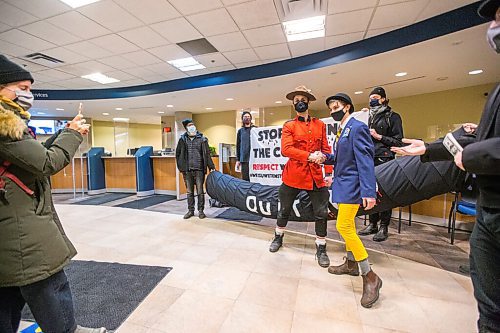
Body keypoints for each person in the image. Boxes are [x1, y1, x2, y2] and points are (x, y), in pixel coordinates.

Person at [392, 1, 500, 330]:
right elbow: (480, 138)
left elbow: (479, 150)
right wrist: (429, 147)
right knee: (490, 311)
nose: (493, 27)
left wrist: (471, 157)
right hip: (490, 213)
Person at [0, 54, 107, 333]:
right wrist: (73, 135)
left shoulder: (12, 125)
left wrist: (64, 133)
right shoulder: (4, 126)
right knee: (47, 281)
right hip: (20, 228)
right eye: (22, 88)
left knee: (8, 293)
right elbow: (47, 163)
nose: (28, 94)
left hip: (9, 223)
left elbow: (31, 156)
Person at [317, 93, 382, 308]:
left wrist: (369, 191)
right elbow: (341, 157)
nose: (332, 110)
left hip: (353, 185)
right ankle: (351, 264)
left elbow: (365, 160)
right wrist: (325, 157)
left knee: (343, 226)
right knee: (349, 225)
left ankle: (370, 275)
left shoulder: (357, 127)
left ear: (347, 107)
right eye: (330, 107)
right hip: (343, 184)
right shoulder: (343, 130)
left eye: (335, 106)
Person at [269, 86, 332, 268]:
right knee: (284, 209)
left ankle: (321, 247)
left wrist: (328, 172)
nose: (299, 102)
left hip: (315, 176)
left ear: (309, 101)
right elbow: (286, 149)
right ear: (293, 104)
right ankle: (278, 237)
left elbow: (326, 150)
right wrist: (309, 156)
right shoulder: (289, 125)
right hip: (294, 175)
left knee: (321, 213)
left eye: (302, 99)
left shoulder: (320, 124)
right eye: (296, 100)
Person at [358, 86, 404, 242]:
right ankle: (372, 224)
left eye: (376, 97)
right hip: (367, 159)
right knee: (370, 191)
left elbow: (398, 141)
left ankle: (384, 226)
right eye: (370, 97)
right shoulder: (367, 117)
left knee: (384, 192)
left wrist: (379, 136)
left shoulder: (393, 117)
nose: (372, 100)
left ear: (383, 99)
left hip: (385, 159)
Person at [176, 118, 216, 219]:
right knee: (189, 192)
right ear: (186, 128)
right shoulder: (182, 140)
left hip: (199, 169)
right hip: (187, 170)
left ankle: (201, 211)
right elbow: (178, 154)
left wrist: (211, 167)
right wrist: (181, 167)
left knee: (199, 191)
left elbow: (207, 154)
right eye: (189, 125)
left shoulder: (202, 139)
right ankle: (190, 210)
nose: (192, 126)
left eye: (192, 124)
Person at [236, 111, 255, 181]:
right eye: (245, 117)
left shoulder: (255, 130)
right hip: (244, 159)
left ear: (251, 119)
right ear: (242, 119)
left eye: (248, 117)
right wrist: (238, 159)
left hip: (254, 159)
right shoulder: (240, 131)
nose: (247, 118)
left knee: (254, 178)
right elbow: (238, 145)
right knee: (245, 179)